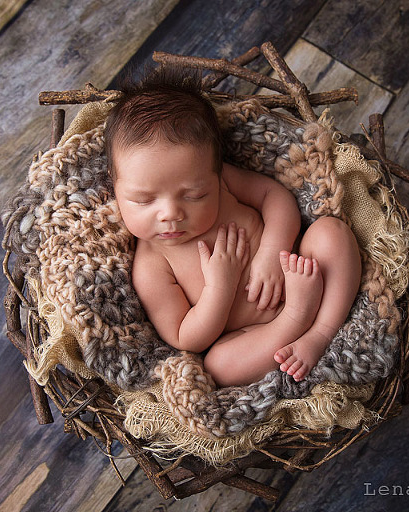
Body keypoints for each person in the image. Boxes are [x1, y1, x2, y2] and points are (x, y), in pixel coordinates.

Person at [105, 67, 361, 387]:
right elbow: (185, 336)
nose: (170, 213)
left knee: (331, 233)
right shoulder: (151, 264)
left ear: (214, 174)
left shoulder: (224, 182)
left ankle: (322, 331)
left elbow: (275, 197)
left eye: (194, 194)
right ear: (115, 190)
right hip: (256, 335)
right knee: (218, 366)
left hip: (300, 269)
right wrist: (220, 289)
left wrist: (271, 253)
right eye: (143, 200)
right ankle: (297, 319)